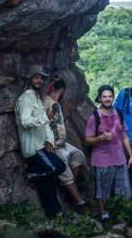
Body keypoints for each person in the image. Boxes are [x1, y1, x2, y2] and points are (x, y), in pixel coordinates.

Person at [15, 65, 67, 218]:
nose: (39, 80)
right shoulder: (26, 97)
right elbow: (25, 121)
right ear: (30, 78)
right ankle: (32, 174)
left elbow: (45, 125)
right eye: (36, 77)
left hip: (42, 146)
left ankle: (54, 213)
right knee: (59, 167)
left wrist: (50, 140)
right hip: (34, 149)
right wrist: (46, 117)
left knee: (48, 181)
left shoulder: (36, 97)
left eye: (41, 78)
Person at [85, 85, 132, 221]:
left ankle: (125, 214)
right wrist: (100, 138)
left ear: (113, 97)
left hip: (119, 157)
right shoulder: (94, 117)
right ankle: (104, 214)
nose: (107, 99)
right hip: (102, 159)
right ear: (100, 98)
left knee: (124, 187)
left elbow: (124, 135)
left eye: (110, 96)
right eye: (104, 96)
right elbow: (88, 139)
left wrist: (130, 156)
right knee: (103, 189)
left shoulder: (118, 113)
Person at [42, 76, 87, 210]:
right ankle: (79, 203)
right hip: (53, 145)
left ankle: (68, 191)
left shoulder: (55, 103)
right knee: (65, 168)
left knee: (78, 156)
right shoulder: (47, 102)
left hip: (62, 143)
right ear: (61, 90)